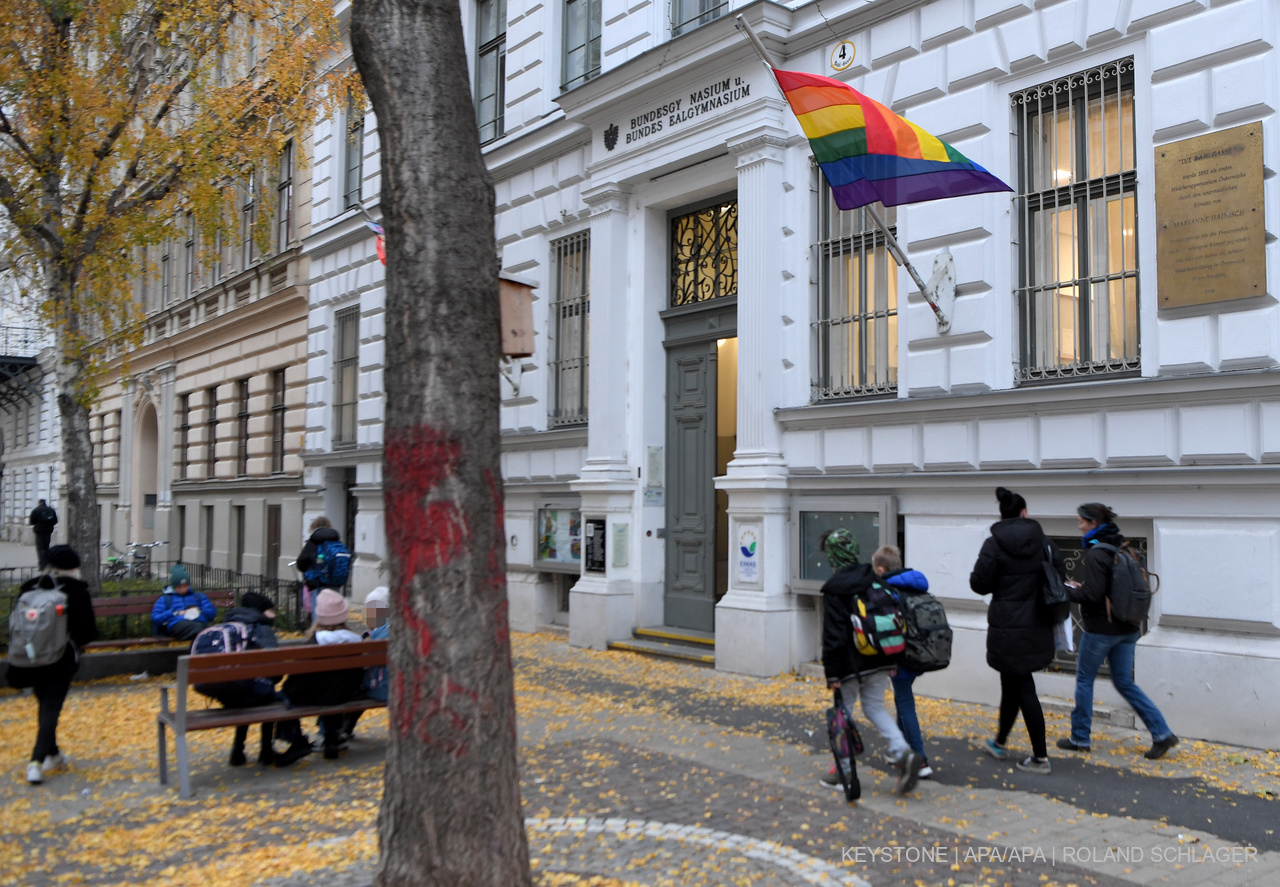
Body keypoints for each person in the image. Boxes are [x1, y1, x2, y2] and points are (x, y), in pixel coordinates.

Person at [1057, 503, 1179, 760]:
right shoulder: (1122, 546)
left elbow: (1091, 595)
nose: (1079, 526)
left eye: (1081, 521)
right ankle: (1162, 732)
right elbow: (1106, 588)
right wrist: (1085, 587)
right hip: (1128, 627)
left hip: (1101, 630)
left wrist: (1065, 590)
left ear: (1093, 523)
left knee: (1084, 680)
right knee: (1124, 682)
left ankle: (1079, 737)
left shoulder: (1096, 553)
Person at [819, 529, 923, 795]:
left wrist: (832, 674)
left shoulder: (836, 588)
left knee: (843, 716)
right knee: (875, 708)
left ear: (833, 556)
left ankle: (843, 773)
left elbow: (833, 636)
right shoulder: (874, 579)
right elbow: (893, 618)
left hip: (850, 666)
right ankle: (903, 752)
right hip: (880, 658)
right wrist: (893, 660)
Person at [970, 487, 1064, 775]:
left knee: (1022, 687)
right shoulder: (1045, 543)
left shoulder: (993, 544)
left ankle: (1040, 758)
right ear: (1025, 513)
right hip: (1037, 624)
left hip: (1007, 627)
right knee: (1012, 684)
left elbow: (979, 584)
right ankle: (999, 742)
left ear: (1002, 515)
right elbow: (1058, 577)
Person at [6, 545, 97, 785]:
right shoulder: (76, 590)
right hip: (60, 659)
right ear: (73, 567)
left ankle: (54, 754)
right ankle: (36, 763)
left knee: (45, 706)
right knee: (51, 708)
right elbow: (88, 632)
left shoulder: (30, 587)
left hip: (30, 658)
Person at [274, 589, 366, 766]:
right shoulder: (355, 642)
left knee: (284, 696)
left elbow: (296, 682)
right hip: (345, 695)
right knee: (332, 688)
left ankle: (297, 740)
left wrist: (288, 690)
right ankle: (331, 739)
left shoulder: (313, 644)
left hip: (316, 697)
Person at [192, 592, 281, 767]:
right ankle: (266, 751)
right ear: (261, 611)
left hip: (226, 695)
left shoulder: (226, 625)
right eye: (271, 610)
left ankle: (237, 750)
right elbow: (276, 671)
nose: (273, 615)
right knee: (267, 691)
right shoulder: (262, 629)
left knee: (248, 688)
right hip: (250, 694)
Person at [873, 545, 933, 780]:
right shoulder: (914, 584)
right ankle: (898, 749)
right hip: (920, 652)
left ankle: (919, 759)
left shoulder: (889, 591)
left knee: (905, 703)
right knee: (902, 699)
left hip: (901, 656)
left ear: (881, 569)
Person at [151, 564, 217, 640]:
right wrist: (175, 613)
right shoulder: (165, 599)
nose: (183, 589)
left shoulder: (199, 596)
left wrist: (199, 611)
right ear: (173, 587)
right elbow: (156, 618)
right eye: (179, 587)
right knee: (199, 630)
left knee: (200, 629)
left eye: (185, 586)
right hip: (177, 624)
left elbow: (212, 613)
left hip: (199, 622)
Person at [296, 516, 342, 622]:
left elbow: (301, 562)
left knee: (318, 609)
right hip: (335, 581)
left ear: (313, 527)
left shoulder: (314, 541)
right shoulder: (336, 540)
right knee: (334, 608)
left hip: (318, 582)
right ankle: (334, 626)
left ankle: (319, 628)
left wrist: (308, 571)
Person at [28, 499, 58, 569]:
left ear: (39, 503)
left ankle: (42, 564)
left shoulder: (36, 510)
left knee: (40, 548)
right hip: (48, 531)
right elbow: (55, 521)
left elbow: (32, 521)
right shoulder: (51, 510)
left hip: (39, 531)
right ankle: (47, 563)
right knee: (46, 547)